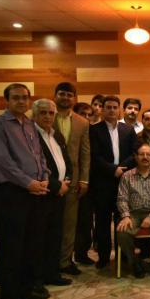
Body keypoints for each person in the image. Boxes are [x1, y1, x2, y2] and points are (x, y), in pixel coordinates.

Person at [0, 83, 50, 299]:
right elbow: (3, 161)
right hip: (11, 193)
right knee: (11, 248)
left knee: (30, 245)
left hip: (34, 191)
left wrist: (44, 177)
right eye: (16, 98)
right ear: (6, 100)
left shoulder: (30, 124)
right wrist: (28, 183)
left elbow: (39, 155)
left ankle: (24, 289)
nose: (21, 101)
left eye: (25, 97)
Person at [89, 95, 138, 269]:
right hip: (102, 182)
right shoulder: (94, 130)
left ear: (119, 110)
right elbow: (94, 156)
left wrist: (121, 169)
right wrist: (112, 169)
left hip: (123, 181)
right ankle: (103, 257)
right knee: (102, 221)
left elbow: (134, 153)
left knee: (122, 218)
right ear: (102, 109)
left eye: (114, 107)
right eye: (108, 107)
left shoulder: (128, 129)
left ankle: (122, 255)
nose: (111, 110)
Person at [32, 99, 73, 287]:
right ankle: (38, 278)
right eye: (43, 113)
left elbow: (67, 162)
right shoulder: (31, 136)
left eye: (51, 113)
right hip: (42, 193)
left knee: (55, 235)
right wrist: (57, 186)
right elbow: (35, 168)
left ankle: (52, 273)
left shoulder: (57, 136)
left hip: (60, 193)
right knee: (39, 238)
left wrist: (67, 181)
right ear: (34, 115)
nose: (47, 116)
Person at [52, 82, 91, 274]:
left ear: (74, 98)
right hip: (48, 180)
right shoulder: (44, 116)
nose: (66, 98)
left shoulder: (82, 122)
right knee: (48, 223)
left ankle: (65, 261)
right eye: (62, 94)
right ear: (55, 96)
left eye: (69, 95)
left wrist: (84, 179)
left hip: (73, 180)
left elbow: (85, 153)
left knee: (69, 224)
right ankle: (48, 262)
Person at [116, 144, 150, 283]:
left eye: (148, 154)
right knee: (122, 232)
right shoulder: (127, 176)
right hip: (133, 213)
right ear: (136, 157)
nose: (145, 157)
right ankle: (134, 262)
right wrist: (126, 216)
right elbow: (122, 198)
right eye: (141, 154)